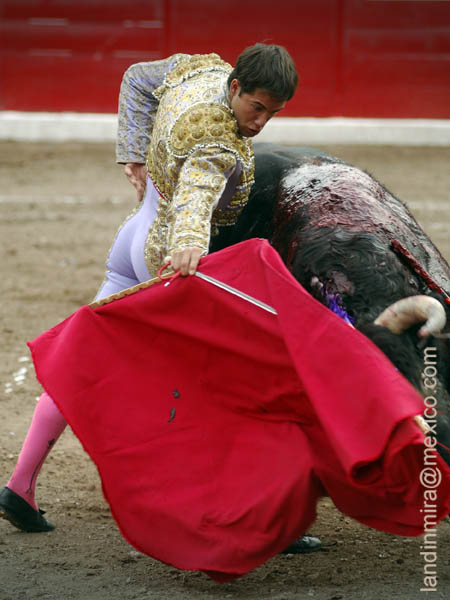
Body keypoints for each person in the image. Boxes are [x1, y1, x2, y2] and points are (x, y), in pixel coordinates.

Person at [0, 44, 320, 553]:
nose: (260, 122)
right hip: (167, 257)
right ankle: (257, 515)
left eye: (272, 113)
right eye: (256, 107)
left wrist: (133, 150)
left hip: (133, 238)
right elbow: (198, 188)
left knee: (82, 355)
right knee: (232, 383)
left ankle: (20, 485)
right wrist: (190, 243)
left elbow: (136, 78)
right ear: (236, 87)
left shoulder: (200, 71)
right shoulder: (218, 140)